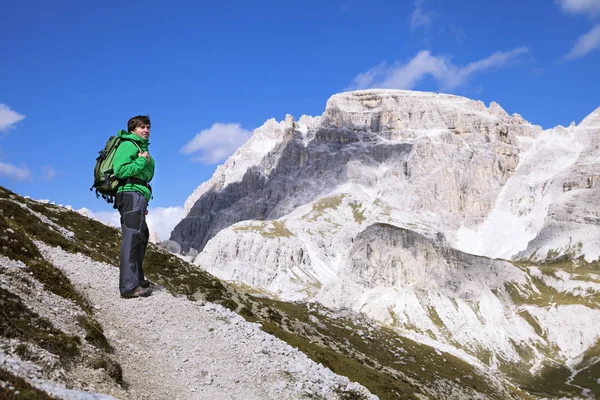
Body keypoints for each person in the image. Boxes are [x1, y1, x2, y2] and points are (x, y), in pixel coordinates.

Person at [113, 115, 155, 298]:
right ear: (132, 130)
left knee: (140, 236)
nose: (145, 130)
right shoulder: (128, 144)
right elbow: (120, 170)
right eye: (141, 127)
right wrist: (142, 160)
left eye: (147, 127)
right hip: (130, 194)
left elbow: (143, 177)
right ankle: (128, 287)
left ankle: (137, 279)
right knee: (131, 238)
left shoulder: (140, 147)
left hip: (138, 197)